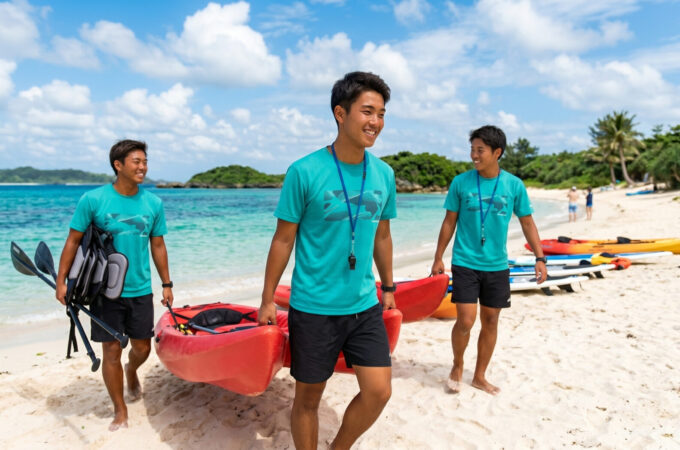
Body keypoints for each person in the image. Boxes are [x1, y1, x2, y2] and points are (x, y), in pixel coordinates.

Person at [258, 71, 397, 450]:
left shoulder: (383, 173)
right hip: (313, 307)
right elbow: (283, 239)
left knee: (379, 391)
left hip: (363, 304)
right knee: (308, 399)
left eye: (381, 114)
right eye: (367, 112)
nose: (376, 122)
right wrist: (268, 299)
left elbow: (382, 236)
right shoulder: (304, 171)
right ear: (340, 113)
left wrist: (388, 287)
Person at [55, 139, 173, 431]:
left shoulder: (153, 203)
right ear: (118, 165)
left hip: (140, 288)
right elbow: (73, 241)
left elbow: (158, 245)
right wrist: (61, 281)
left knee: (142, 348)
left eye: (145, 161)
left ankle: (132, 370)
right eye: (136, 161)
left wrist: (167, 283)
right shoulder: (93, 200)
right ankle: (120, 410)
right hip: (104, 290)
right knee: (110, 351)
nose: (143, 167)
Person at [430, 125, 547, 396]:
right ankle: (457, 365)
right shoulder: (461, 183)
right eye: (472, 149)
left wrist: (539, 257)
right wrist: (438, 257)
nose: (474, 155)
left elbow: (527, 222)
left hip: (496, 264)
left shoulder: (513, 185)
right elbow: (449, 222)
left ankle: (479, 376)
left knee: (491, 320)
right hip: (465, 261)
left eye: (480, 150)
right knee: (466, 320)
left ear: (497, 152)